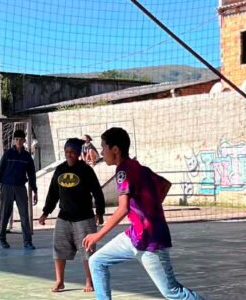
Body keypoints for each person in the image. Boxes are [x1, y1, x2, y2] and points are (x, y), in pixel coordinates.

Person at [82, 127, 202, 300]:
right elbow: (164, 185)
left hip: (150, 241)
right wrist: (148, 209)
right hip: (134, 236)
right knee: (96, 261)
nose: (101, 152)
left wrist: (98, 235)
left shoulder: (123, 171)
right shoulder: (139, 167)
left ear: (115, 150)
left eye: (103, 148)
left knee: (172, 292)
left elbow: (123, 208)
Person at [39, 138, 106, 293]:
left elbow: (97, 191)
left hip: (84, 218)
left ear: (78, 153)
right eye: (67, 152)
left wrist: (100, 212)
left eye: (72, 152)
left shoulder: (86, 170)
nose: (69, 155)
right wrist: (45, 212)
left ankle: (90, 281)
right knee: (59, 249)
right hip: (64, 217)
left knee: (87, 250)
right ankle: (59, 281)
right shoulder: (60, 170)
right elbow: (53, 193)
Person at [0, 129, 38, 250]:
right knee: (5, 214)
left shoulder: (27, 156)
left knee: (24, 215)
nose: (18, 141)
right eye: (16, 139)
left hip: (20, 188)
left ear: (24, 140)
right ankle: (2, 238)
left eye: (20, 139)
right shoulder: (8, 154)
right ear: (14, 140)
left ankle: (27, 242)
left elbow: (32, 174)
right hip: (6, 187)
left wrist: (35, 190)